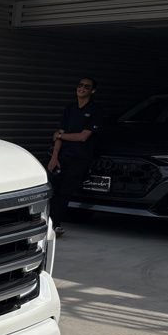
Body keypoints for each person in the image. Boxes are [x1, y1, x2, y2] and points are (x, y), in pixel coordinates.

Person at [47, 77, 101, 236]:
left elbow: (83, 137)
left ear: (92, 91)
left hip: (79, 158)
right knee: (53, 190)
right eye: (80, 85)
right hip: (62, 155)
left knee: (65, 192)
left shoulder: (96, 110)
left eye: (87, 86)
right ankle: (46, 224)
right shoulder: (69, 109)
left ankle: (55, 226)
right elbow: (59, 134)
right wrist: (54, 157)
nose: (82, 88)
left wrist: (61, 136)